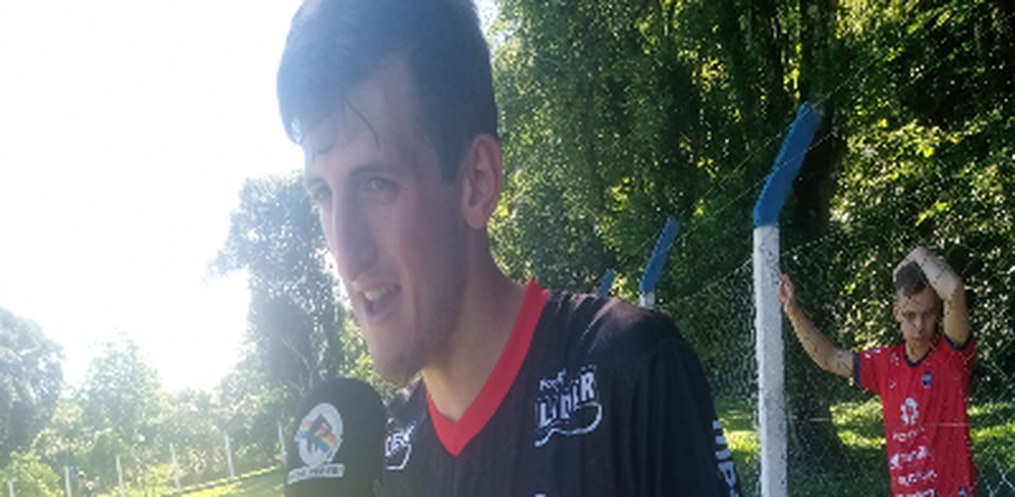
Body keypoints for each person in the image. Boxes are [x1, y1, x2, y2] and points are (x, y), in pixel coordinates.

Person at [276, 0, 741, 495]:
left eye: (377, 184)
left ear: (476, 182)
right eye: (322, 195)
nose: (347, 255)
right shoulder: (387, 459)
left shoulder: (630, 373)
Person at [779, 246, 976, 496]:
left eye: (927, 314)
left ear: (937, 312)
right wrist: (793, 311)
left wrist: (917, 254)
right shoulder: (885, 364)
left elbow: (954, 291)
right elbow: (829, 358)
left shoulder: (951, 358)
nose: (919, 326)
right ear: (897, 312)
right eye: (910, 315)